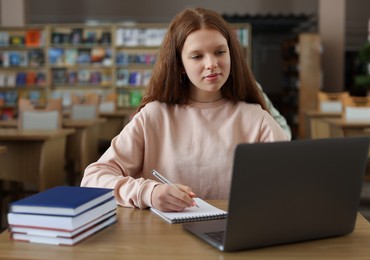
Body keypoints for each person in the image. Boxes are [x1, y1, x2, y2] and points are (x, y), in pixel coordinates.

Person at [81, 7, 289, 212]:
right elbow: (93, 178)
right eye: (197, 56)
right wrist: (147, 193)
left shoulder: (257, 119)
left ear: (231, 55)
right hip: (162, 239)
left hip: (236, 235)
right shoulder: (153, 116)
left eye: (220, 52)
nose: (212, 64)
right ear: (180, 64)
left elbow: (291, 184)